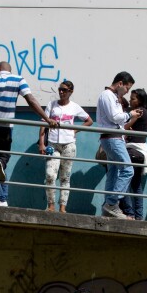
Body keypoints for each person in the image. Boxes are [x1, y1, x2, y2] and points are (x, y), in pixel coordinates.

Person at [0, 62, 54, 207]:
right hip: (5, 126)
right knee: (4, 156)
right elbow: (31, 100)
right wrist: (46, 118)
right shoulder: (19, 79)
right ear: (9, 70)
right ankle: (1, 163)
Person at [38, 79, 92, 212]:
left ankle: (63, 207)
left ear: (70, 92)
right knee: (50, 174)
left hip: (69, 145)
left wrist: (75, 130)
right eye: (60, 89)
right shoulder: (52, 105)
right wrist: (41, 143)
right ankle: (51, 205)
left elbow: (89, 120)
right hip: (53, 145)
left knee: (65, 177)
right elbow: (43, 124)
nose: (61, 92)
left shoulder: (74, 107)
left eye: (64, 90)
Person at [97, 72, 142, 219]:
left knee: (114, 171)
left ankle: (108, 206)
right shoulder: (107, 95)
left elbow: (116, 119)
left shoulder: (112, 96)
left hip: (113, 137)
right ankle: (111, 203)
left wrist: (129, 116)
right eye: (127, 88)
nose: (127, 92)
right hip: (113, 138)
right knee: (128, 169)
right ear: (120, 83)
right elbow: (115, 117)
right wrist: (130, 114)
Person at [119, 88, 147, 220]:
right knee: (136, 185)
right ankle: (138, 216)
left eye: (133, 99)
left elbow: (124, 128)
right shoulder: (144, 112)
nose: (131, 101)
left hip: (133, 150)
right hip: (140, 151)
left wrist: (127, 126)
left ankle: (129, 213)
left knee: (124, 181)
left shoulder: (139, 112)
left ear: (140, 100)